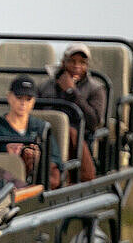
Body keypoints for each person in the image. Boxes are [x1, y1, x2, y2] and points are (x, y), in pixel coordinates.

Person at [0, 75, 62, 189]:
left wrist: (37, 158)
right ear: (9, 97)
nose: (23, 103)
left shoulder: (42, 128)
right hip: (4, 188)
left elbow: (54, 161)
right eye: (19, 97)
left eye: (28, 99)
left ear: (34, 101)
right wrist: (8, 157)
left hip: (37, 189)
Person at [37, 43, 104, 181]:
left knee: (70, 132)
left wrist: (72, 92)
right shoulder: (46, 86)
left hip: (79, 141)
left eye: (82, 62)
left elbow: (93, 122)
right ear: (63, 63)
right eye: (72, 61)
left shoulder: (96, 89)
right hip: (47, 136)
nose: (77, 66)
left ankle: (61, 178)